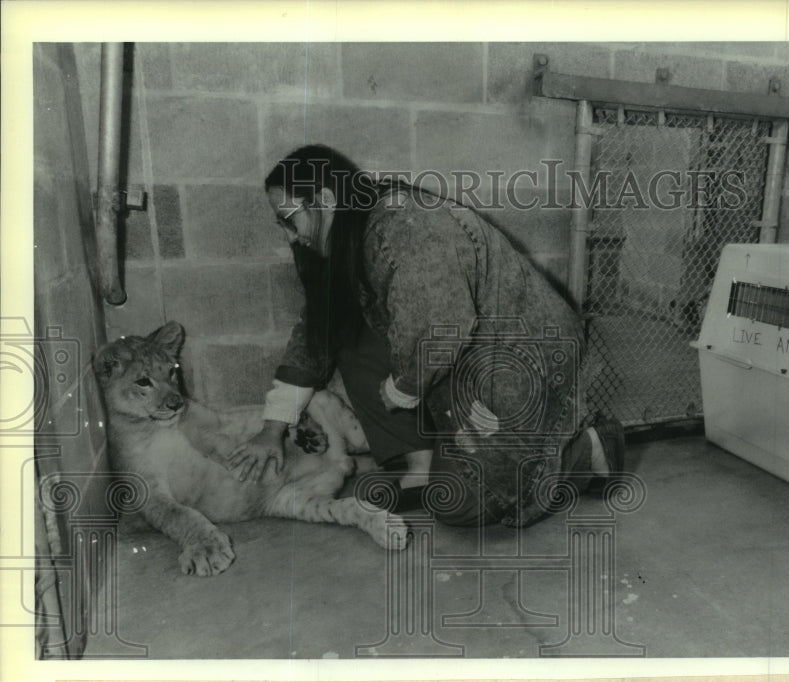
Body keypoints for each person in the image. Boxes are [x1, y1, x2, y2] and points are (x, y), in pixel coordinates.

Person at [227, 144, 624, 526]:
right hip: (464, 356)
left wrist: (404, 387)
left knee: (464, 506)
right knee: (346, 328)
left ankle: (584, 449)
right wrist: (272, 429)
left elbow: (442, 324)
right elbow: (314, 336)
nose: (288, 236)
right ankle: (421, 468)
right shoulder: (346, 239)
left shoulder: (406, 224)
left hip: (523, 359)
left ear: (326, 200)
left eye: (288, 219)